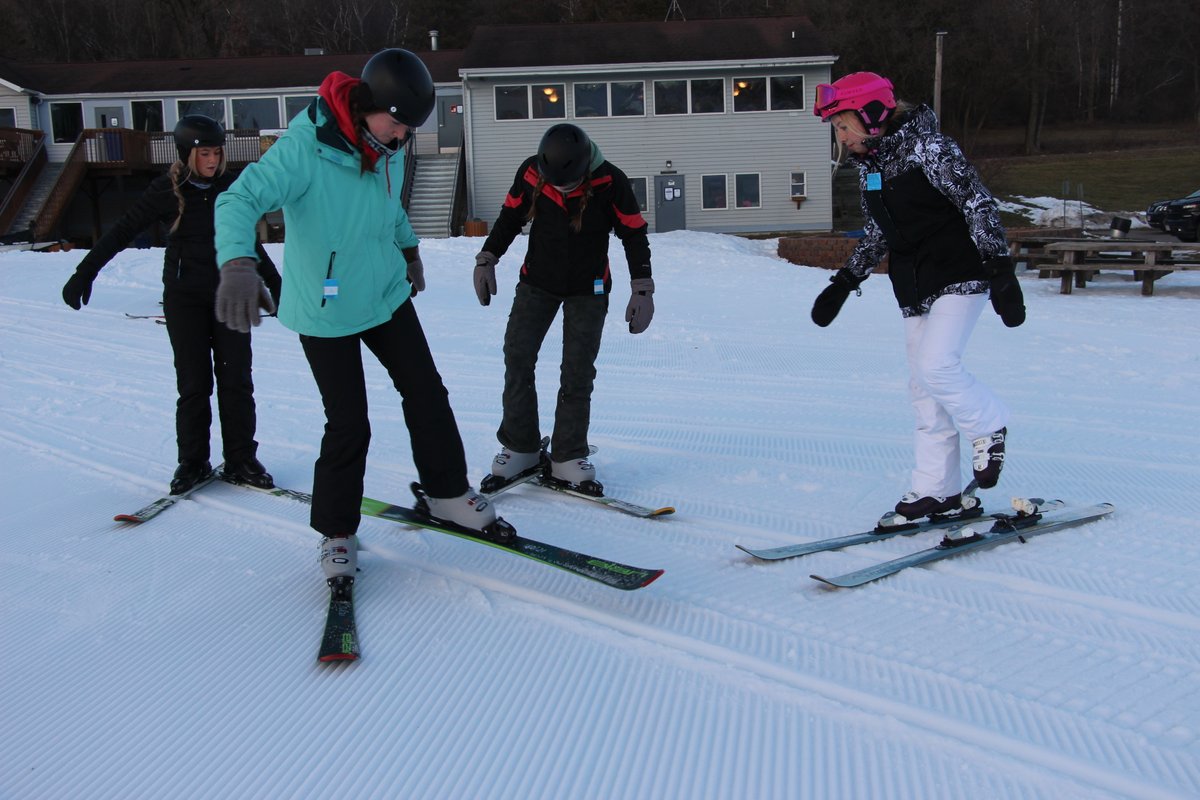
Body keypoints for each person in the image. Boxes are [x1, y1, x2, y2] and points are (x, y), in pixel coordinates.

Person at [213, 48, 503, 582]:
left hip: (383, 292)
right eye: (396, 124)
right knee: (349, 423)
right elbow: (237, 200)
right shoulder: (303, 149)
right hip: (324, 308)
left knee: (426, 392)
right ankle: (336, 533)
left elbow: (386, 204)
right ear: (368, 104)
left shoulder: (385, 143)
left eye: (408, 129)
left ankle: (446, 493)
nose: (401, 138)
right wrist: (236, 261)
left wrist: (409, 249)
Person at [809, 72, 1025, 521]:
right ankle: (936, 489)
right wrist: (845, 282)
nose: (842, 138)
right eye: (837, 130)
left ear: (872, 117)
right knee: (923, 390)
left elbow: (977, 204)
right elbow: (877, 232)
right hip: (913, 285)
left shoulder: (932, 149)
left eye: (844, 127)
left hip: (959, 272)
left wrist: (1000, 269)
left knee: (937, 365)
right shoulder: (870, 169)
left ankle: (988, 426)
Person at [61, 115, 281, 495]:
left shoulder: (232, 188)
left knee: (237, 382)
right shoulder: (166, 190)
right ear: (186, 154)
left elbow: (249, 242)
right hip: (185, 299)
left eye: (216, 152)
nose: (212, 160)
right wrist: (85, 272)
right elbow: (121, 231)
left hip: (231, 297)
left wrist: (277, 285)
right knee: (194, 384)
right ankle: (193, 461)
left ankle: (241, 458)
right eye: (204, 153)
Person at [473, 123, 654, 495]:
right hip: (538, 281)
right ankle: (520, 446)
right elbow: (510, 217)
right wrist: (487, 257)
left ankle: (568, 455)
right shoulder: (530, 173)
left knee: (577, 369)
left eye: (568, 183)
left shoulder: (610, 181)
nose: (562, 188)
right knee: (517, 354)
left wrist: (643, 288)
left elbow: (633, 233)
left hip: (590, 287)